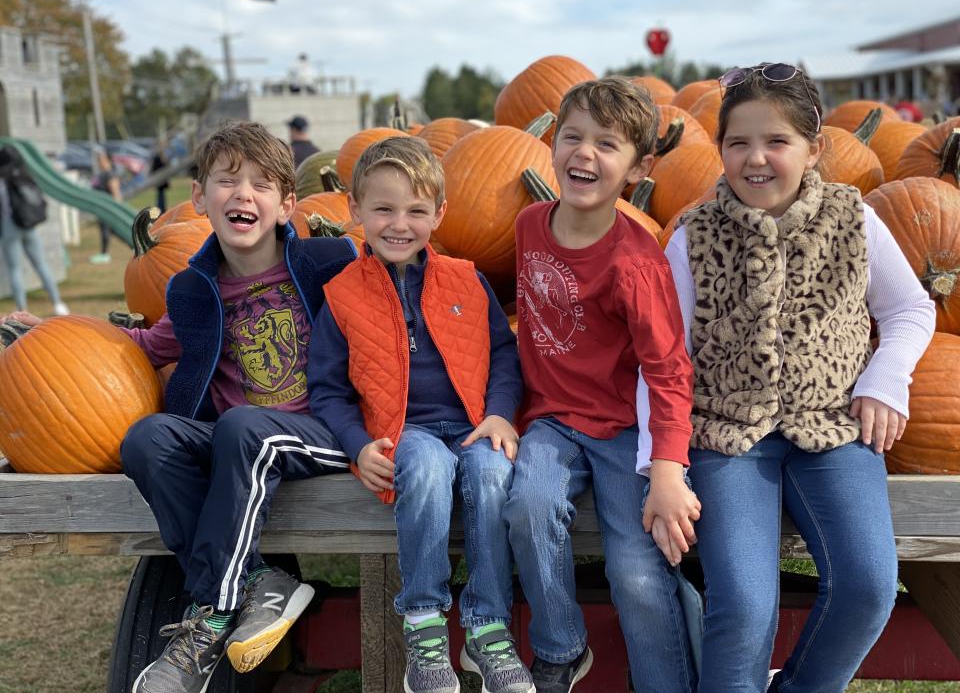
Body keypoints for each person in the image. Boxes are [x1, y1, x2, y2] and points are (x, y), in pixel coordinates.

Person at [664, 63, 936, 692]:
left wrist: (885, 378)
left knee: (868, 586)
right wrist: (667, 465)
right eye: (738, 143)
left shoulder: (855, 220)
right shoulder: (694, 236)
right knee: (744, 606)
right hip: (727, 435)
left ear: (814, 149)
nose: (756, 158)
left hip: (833, 428)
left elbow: (910, 308)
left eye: (777, 142)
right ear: (721, 149)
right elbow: (667, 358)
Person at [118, 121, 358, 692]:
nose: (242, 193)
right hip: (237, 437)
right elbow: (153, 347)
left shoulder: (330, 263)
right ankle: (256, 579)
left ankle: (210, 619)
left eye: (260, 184)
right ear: (199, 198)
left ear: (286, 205)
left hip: (322, 431)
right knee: (148, 439)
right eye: (226, 181)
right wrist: (50, 332)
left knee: (244, 426)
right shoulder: (193, 289)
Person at [309, 136, 532, 693]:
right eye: (383, 209)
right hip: (402, 430)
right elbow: (328, 390)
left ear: (439, 214)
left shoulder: (467, 278)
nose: (398, 223)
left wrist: (502, 414)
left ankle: (487, 628)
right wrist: (357, 443)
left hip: (473, 424)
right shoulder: (341, 295)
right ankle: (425, 627)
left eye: (415, 210)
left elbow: (504, 355)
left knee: (491, 472)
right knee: (429, 470)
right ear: (355, 211)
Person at [503, 77, 700, 693]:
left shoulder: (636, 264)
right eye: (573, 137)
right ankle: (561, 647)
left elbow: (668, 369)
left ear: (638, 167)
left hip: (623, 431)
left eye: (606, 144)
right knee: (529, 507)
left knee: (637, 574)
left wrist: (667, 468)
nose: (584, 154)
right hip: (550, 422)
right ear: (552, 145)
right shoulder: (530, 224)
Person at [0, 145, 69, 315]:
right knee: (41, 264)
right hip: (29, 226)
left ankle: (22, 309)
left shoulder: (2, 181)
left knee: (15, 269)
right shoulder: (24, 175)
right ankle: (58, 303)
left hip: (10, 227)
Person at [90, 149, 121, 264]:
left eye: (102, 159)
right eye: (99, 159)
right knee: (107, 230)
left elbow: (116, 193)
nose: (99, 161)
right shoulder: (102, 174)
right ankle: (104, 253)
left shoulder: (110, 174)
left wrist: (117, 207)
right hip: (102, 207)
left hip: (108, 208)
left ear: (108, 160)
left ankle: (104, 254)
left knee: (107, 230)